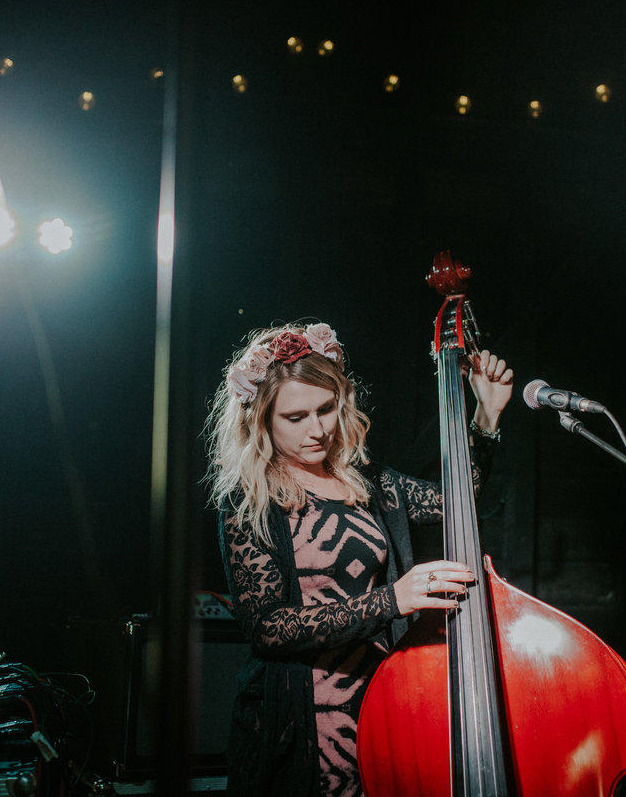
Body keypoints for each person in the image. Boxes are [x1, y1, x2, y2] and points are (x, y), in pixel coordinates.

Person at [204, 320, 513, 797]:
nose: (318, 430)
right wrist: (393, 600)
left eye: (326, 410)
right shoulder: (251, 502)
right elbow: (268, 629)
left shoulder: (369, 484)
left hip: (380, 708)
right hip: (298, 724)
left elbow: (460, 500)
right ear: (261, 420)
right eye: (296, 417)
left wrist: (486, 419)